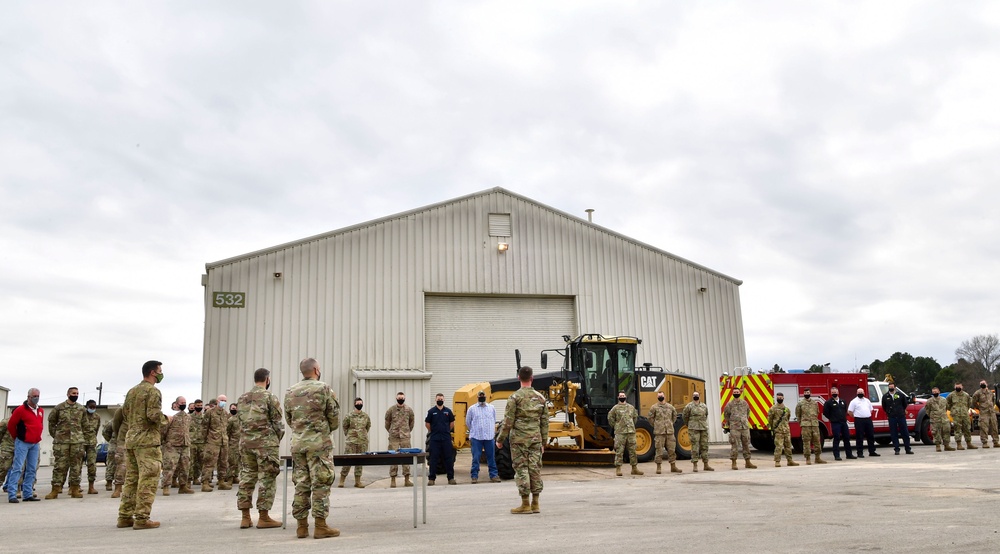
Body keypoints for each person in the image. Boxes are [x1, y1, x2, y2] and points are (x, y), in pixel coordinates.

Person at [284, 357, 341, 539]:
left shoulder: (290, 392)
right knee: (321, 483)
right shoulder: (324, 388)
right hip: (319, 445)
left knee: (301, 484)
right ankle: (320, 526)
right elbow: (334, 418)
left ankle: (301, 527)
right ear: (316, 370)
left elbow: (289, 419)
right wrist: (323, 431)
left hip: (298, 445)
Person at [117, 360, 168, 530]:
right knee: (148, 479)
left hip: (131, 440)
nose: (161, 373)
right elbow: (153, 415)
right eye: (160, 370)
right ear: (153, 372)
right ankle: (141, 518)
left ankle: (124, 516)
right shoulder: (153, 391)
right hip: (147, 442)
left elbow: (125, 413)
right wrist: (167, 419)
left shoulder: (132, 391)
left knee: (131, 480)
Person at [496, 365, 548, 514]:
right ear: (532, 378)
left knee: (521, 469)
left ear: (519, 377)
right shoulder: (541, 398)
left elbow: (508, 421)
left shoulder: (514, 397)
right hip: (535, 439)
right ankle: (536, 503)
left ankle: (525, 504)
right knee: (535, 468)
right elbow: (544, 423)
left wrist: (500, 439)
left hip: (519, 440)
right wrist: (543, 442)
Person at [237, 368, 284, 530]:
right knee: (267, 478)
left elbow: (240, 422)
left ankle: (245, 517)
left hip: (245, 444)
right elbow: (278, 423)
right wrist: (274, 440)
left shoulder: (242, 398)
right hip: (265, 444)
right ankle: (263, 517)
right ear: (267, 379)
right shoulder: (270, 397)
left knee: (247, 476)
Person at [46, 386, 86, 499]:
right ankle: (55, 489)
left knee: (76, 467)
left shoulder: (81, 409)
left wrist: (82, 438)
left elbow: (85, 425)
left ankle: (74, 489)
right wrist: (57, 435)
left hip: (77, 442)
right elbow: (51, 423)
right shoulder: (59, 408)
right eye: (74, 393)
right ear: (68, 394)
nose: (76, 395)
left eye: (77, 393)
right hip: (61, 442)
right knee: (60, 466)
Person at [7, 389, 44, 503]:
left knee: (32, 469)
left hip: (35, 443)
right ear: (28, 396)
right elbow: (11, 425)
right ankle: (12, 493)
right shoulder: (20, 410)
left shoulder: (40, 410)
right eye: (34, 396)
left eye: (37, 396)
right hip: (23, 442)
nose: (36, 398)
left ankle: (28, 493)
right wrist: (17, 438)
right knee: (17, 468)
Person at [160, 396, 194, 496]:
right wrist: (164, 442)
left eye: (185, 402)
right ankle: (166, 486)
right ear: (177, 404)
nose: (183, 404)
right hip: (172, 445)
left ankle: (183, 486)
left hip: (185, 444)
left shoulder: (188, 417)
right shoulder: (170, 417)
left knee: (185, 466)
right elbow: (163, 431)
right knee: (169, 466)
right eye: (182, 402)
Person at [466, 391, 500, 484]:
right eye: (480, 396)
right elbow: (468, 422)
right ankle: (474, 476)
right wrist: (474, 430)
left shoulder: (491, 408)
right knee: (476, 458)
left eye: (483, 396)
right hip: (476, 437)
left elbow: (493, 419)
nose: (482, 397)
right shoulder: (472, 409)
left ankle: (494, 475)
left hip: (489, 437)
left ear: (486, 397)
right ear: (477, 397)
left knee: (491, 457)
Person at [608, 392, 643, 476]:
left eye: (623, 396)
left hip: (630, 432)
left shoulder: (631, 407)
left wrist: (632, 426)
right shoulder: (615, 408)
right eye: (620, 396)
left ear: (626, 397)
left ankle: (634, 469)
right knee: (619, 451)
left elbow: (635, 417)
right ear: (618, 397)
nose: (622, 397)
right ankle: (618, 469)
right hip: (620, 433)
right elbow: (610, 418)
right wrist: (617, 426)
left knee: (632, 451)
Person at [339, 397, 371, 489]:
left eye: (361, 403)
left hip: (362, 442)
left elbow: (368, 426)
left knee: (360, 461)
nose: (359, 405)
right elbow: (345, 426)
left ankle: (357, 481)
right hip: (351, 441)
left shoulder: (365, 416)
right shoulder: (349, 416)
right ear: (354, 404)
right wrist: (350, 435)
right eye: (358, 403)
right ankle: (342, 480)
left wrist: (362, 435)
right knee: (347, 460)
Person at [385, 392, 414, 488]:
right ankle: (393, 480)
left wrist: (406, 431)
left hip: (405, 437)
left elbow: (411, 422)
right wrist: (392, 431)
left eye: (402, 398)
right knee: (393, 458)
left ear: (404, 398)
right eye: (399, 398)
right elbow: (387, 423)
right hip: (394, 438)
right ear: (396, 398)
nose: (400, 399)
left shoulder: (409, 410)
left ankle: (407, 479)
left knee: (406, 457)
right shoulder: (391, 410)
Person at [426, 393, 457, 485]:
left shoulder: (448, 411)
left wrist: (446, 430)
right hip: (435, 439)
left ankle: (450, 478)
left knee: (448, 458)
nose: (440, 400)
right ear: (435, 400)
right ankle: (432, 479)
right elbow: (427, 424)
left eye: (441, 399)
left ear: (444, 400)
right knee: (433, 459)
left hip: (446, 438)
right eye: (438, 399)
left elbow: (452, 423)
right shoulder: (431, 411)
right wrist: (434, 431)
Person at [647, 392, 682, 474]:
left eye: (662, 395)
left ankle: (673, 467)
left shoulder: (670, 407)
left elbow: (674, 416)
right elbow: (650, 418)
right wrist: (656, 425)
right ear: (657, 397)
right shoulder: (654, 407)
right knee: (659, 450)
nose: (660, 397)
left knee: (672, 450)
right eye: (659, 396)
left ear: (664, 396)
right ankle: (658, 467)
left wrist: (670, 424)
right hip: (659, 433)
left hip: (669, 432)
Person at [722, 387, 756, 470]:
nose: (736, 393)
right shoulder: (729, 404)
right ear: (733, 393)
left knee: (746, 445)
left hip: (744, 427)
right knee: (735, 445)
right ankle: (734, 463)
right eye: (735, 392)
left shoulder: (744, 403)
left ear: (740, 393)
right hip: (735, 427)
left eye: (737, 392)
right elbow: (726, 415)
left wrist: (744, 420)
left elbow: (748, 412)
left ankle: (748, 462)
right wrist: (731, 423)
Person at [200, 397, 229, 491]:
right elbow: (204, 427)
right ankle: (205, 483)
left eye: (225, 401)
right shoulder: (210, 412)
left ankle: (221, 482)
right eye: (222, 400)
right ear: (217, 401)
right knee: (209, 463)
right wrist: (205, 440)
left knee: (223, 463)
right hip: (212, 441)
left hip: (223, 442)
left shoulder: (225, 414)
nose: (223, 402)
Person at [682, 392, 713, 472]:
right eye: (694, 395)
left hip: (703, 428)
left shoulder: (704, 406)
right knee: (695, 446)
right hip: (693, 428)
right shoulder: (689, 406)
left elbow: (706, 415)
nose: (696, 396)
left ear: (699, 396)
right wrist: (689, 424)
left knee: (704, 446)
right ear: (692, 397)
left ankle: (706, 464)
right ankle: (695, 465)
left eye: (697, 395)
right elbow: (685, 416)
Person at [796, 388, 827, 464]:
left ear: (810, 393)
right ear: (803, 394)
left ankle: (817, 458)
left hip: (815, 425)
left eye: (808, 392)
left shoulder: (814, 403)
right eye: (805, 392)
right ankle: (808, 458)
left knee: (817, 441)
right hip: (805, 426)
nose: (807, 393)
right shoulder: (800, 404)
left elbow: (817, 412)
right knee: (806, 442)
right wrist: (802, 423)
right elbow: (798, 415)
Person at [823, 387, 855, 460]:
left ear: (838, 392)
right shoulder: (828, 403)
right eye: (833, 392)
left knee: (847, 438)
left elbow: (845, 410)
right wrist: (832, 418)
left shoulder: (842, 401)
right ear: (831, 393)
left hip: (843, 422)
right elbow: (825, 413)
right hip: (835, 423)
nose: (834, 394)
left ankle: (849, 454)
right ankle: (837, 455)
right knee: (837, 438)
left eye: (835, 392)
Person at [768, 392, 798, 467]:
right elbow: (770, 420)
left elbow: (787, 418)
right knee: (778, 446)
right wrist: (774, 428)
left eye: (781, 397)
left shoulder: (786, 409)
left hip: (786, 431)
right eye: (778, 398)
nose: (779, 399)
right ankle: (777, 461)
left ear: (783, 398)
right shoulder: (773, 409)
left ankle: (790, 460)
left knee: (788, 446)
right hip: (778, 431)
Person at [881, 382, 913, 455]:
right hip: (892, 417)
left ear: (895, 387)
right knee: (894, 433)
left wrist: (901, 411)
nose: (891, 388)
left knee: (905, 432)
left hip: (901, 416)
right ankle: (896, 449)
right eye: (890, 387)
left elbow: (905, 404)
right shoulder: (885, 396)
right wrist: (889, 412)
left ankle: (908, 449)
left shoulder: (900, 395)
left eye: (892, 387)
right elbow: (884, 406)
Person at [848, 388, 879, 458]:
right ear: (857, 393)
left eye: (861, 392)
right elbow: (850, 411)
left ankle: (872, 451)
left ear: (864, 393)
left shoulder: (867, 401)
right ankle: (860, 452)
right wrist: (856, 416)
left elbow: (871, 410)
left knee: (871, 436)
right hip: (859, 420)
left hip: (868, 419)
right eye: (859, 392)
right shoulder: (854, 401)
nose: (860, 393)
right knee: (860, 437)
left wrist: (866, 415)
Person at [947, 383, 976, 450]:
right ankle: (959, 444)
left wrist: (965, 409)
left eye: (959, 387)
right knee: (957, 429)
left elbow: (969, 403)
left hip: (965, 414)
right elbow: (947, 403)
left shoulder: (966, 395)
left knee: (967, 429)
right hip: (956, 415)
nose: (958, 388)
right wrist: (952, 409)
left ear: (962, 387)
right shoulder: (951, 395)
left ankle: (969, 444)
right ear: (954, 387)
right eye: (956, 387)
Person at [971, 380, 999, 448]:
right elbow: (974, 402)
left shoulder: (990, 392)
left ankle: (996, 442)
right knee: (984, 428)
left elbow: (993, 401)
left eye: (983, 383)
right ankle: (985, 442)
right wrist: (980, 408)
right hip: (984, 413)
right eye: (981, 383)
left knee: (994, 427)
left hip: (991, 412)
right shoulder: (977, 393)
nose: (982, 384)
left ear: (986, 384)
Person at [925, 387, 954, 452]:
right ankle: (937, 446)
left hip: (944, 419)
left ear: (939, 392)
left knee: (946, 432)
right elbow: (927, 410)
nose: (935, 393)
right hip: (935, 419)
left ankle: (947, 445)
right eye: (933, 392)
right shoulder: (929, 401)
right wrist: (933, 416)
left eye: (936, 392)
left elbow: (947, 408)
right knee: (936, 432)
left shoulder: (944, 400)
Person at [110, 407, 128, 498]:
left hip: (138, 440)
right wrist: (120, 436)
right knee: (121, 464)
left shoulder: (144, 409)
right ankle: (118, 488)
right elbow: (115, 425)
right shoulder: (122, 410)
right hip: (123, 440)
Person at [189, 399, 206, 485]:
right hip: (192, 442)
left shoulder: (205, 417)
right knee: (191, 461)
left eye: (200, 406)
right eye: (198, 406)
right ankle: (189, 479)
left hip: (202, 442)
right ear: (194, 406)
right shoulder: (189, 417)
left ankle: (196, 478)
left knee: (200, 462)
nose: (199, 407)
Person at [226, 402, 241, 486]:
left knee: (239, 461)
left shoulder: (244, 419)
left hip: (242, 443)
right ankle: (229, 478)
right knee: (232, 461)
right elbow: (227, 432)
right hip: (233, 443)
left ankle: (235, 476)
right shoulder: (231, 420)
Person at [102, 419, 117, 491]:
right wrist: (111, 440)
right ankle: (109, 482)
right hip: (115, 443)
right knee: (111, 464)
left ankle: (119, 483)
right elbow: (105, 432)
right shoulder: (114, 421)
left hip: (126, 443)